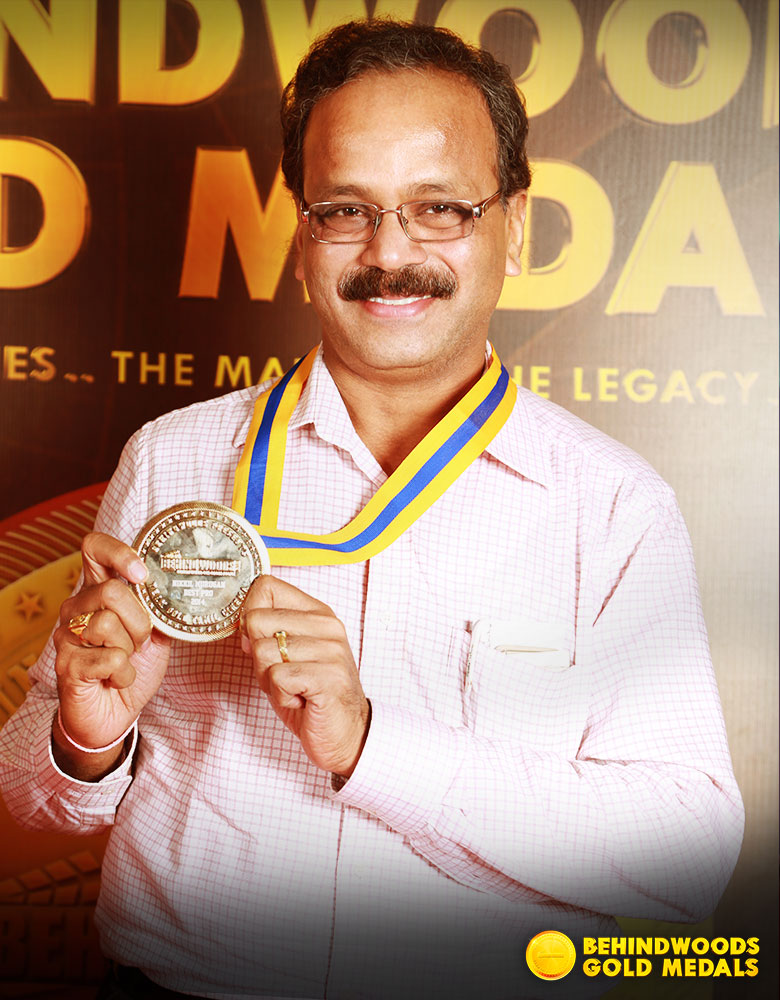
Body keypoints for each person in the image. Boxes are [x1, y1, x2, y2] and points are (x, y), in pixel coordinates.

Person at [0, 18, 743, 1000]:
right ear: (301, 232)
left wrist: (369, 744)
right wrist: (86, 736)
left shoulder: (611, 505)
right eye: (346, 208)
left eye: (440, 208)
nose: (391, 252)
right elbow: (28, 796)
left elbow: (687, 855)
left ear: (515, 227)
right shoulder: (171, 458)